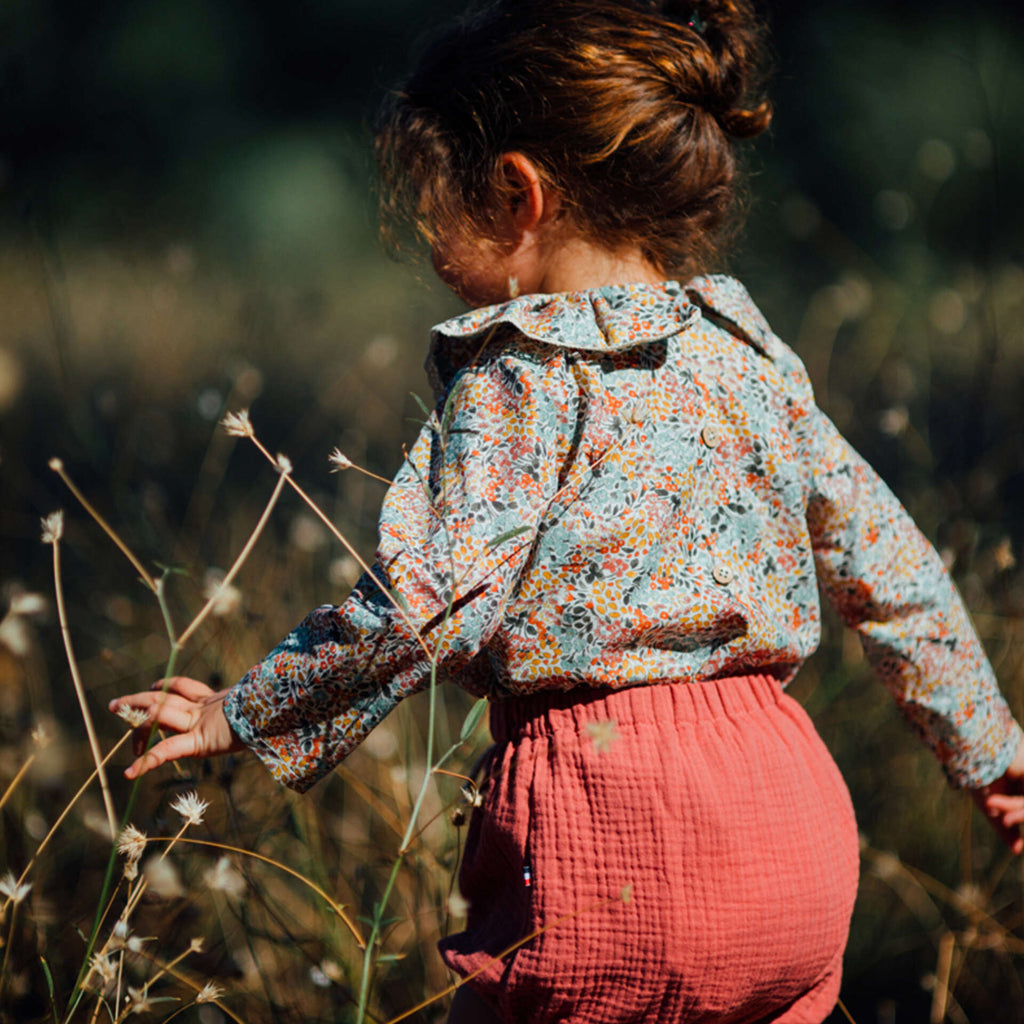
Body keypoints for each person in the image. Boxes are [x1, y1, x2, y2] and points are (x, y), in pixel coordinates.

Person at [109, 1, 1024, 1021]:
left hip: (608, 826)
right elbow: (894, 572)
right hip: (795, 833)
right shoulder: (751, 356)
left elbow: (430, 600)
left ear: (516, 192)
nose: (419, 237)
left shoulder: (522, 373)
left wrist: (249, 709)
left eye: (429, 205)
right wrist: (996, 760)